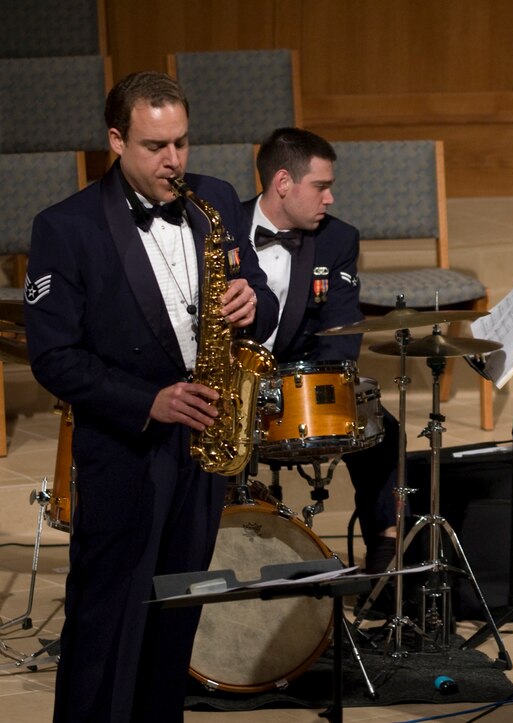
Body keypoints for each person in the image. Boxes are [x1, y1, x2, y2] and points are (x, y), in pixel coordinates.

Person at [23, 71, 278, 722]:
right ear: (116, 140)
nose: (174, 161)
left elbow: (260, 296)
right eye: (155, 146)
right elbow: (53, 356)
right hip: (124, 453)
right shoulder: (66, 227)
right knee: (107, 627)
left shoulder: (214, 198)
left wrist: (255, 301)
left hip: (202, 449)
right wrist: (149, 401)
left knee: (175, 621)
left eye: (182, 143)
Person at [243, 126, 398, 577]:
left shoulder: (338, 238)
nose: (329, 199)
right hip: (229, 384)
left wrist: (325, 398)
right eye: (321, 187)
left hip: (299, 379)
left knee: (384, 433)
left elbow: (341, 329)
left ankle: (385, 561)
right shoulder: (221, 228)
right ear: (284, 183)